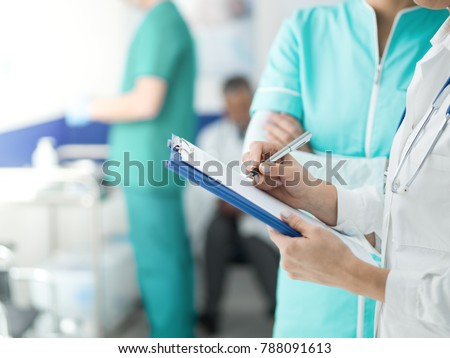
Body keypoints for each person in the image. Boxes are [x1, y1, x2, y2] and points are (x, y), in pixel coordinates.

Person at [244, 0, 450, 337]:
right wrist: (383, 171)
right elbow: (260, 168)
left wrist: (315, 162)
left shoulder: (440, 27)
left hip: (413, 299)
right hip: (315, 286)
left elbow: (425, 186)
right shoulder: (305, 28)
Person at [65, 0, 196, 337]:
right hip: (154, 165)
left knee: (159, 265)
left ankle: (170, 341)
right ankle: (177, 335)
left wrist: (90, 106)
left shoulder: (159, 23)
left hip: (148, 166)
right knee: (171, 260)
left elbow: (145, 102)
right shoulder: (166, 21)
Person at [188, 77, 279, 334]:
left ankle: (278, 309)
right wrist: (229, 200)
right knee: (216, 232)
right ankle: (211, 311)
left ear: (253, 103)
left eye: (244, 104)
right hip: (223, 216)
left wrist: (246, 202)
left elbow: (279, 181)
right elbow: (202, 182)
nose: (239, 111)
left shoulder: (270, 137)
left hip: (257, 220)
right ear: (225, 106)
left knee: (256, 242)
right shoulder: (212, 136)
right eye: (233, 105)